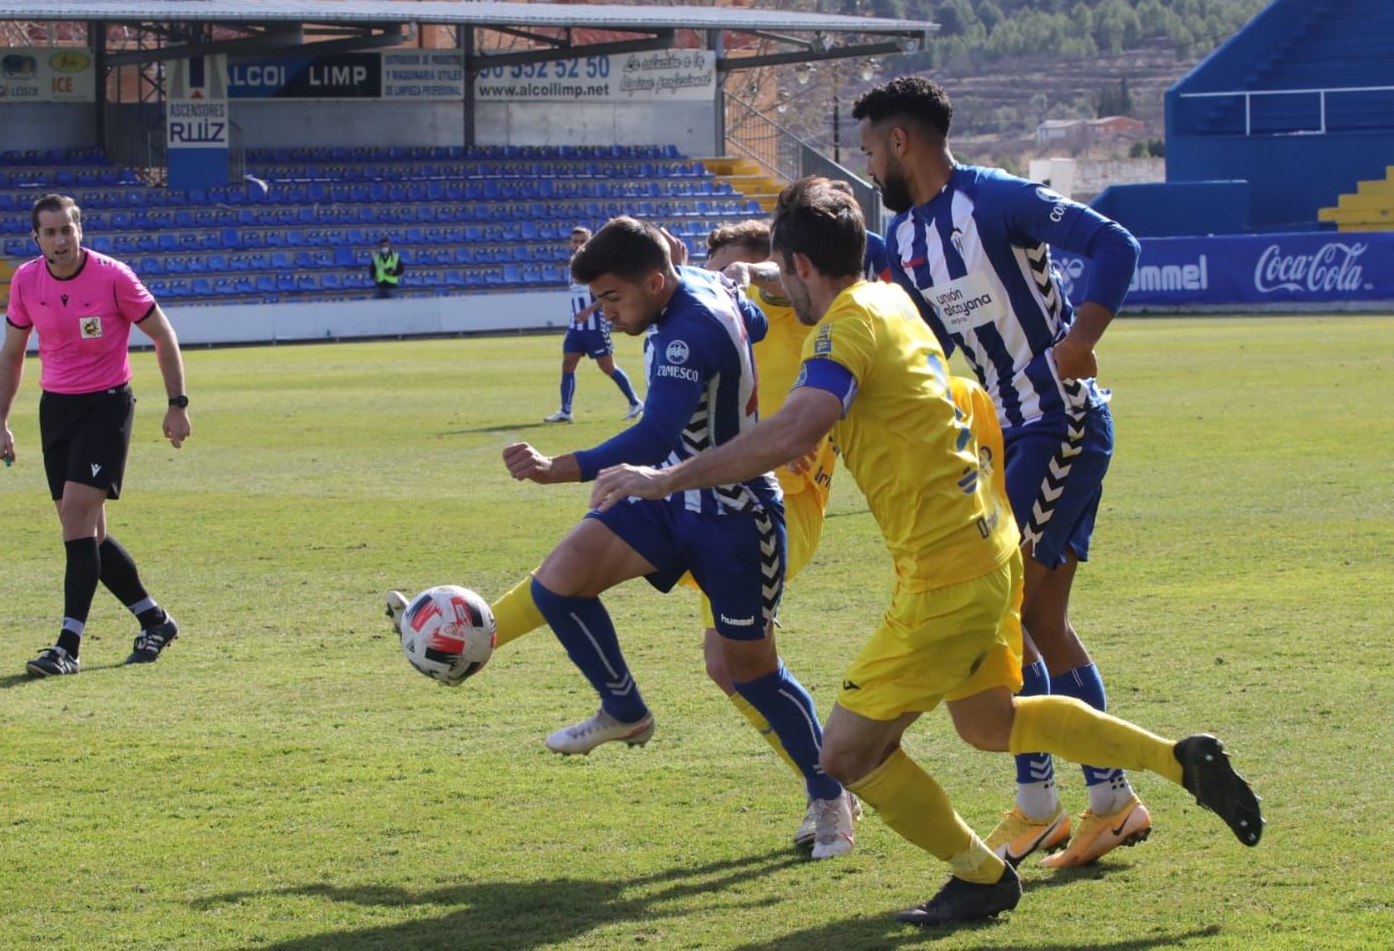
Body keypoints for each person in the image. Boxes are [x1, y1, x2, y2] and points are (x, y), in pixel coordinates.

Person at [591, 177, 1262, 925]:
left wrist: (667, 477)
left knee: (843, 757)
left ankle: (979, 878)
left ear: (802, 266)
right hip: (988, 546)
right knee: (987, 725)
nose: (782, 287)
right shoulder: (890, 301)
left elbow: (793, 431)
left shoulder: (842, 329)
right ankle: (1180, 761)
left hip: (942, 576)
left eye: (784, 271)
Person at [404, 215, 858, 858]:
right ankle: (625, 710)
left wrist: (553, 467)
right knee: (561, 580)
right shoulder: (697, 288)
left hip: (734, 513)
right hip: (669, 495)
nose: (604, 314)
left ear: (653, 280)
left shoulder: (687, 331)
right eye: (597, 300)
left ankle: (829, 791)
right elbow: (754, 325)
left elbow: (650, 435)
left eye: (612, 299)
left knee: (750, 675)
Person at [853, 76, 1149, 869]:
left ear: (900, 142)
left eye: (870, 147)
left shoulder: (995, 200)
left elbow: (1114, 244)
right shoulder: (910, 235)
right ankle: (1096, 803)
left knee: (1005, 616)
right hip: (1010, 432)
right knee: (1040, 622)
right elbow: (928, 345)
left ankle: (1049, 804)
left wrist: (1078, 340)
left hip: (1060, 422)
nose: (867, 161)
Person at [0, 193, 191, 677]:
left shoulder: (113, 276)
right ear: (35, 237)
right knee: (87, 531)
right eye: (50, 232)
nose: (60, 240)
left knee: (77, 518)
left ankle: (67, 646)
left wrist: (177, 404)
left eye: (68, 230)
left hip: (106, 406)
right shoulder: (25, 280)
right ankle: (154, 619)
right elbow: (13, 354)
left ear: (81, 231)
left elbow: (163, 334)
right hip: (56, 410)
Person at [543, 226, 644, 424]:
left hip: (594, 327)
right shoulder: (572, 267)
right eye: (575, 241)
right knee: (568, 365)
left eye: (583, 241)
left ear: (590, 243)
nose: (578, 245)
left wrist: (589, 311)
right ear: (570, 244)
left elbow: (606, 295)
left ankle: (635, 402)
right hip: (576, 328)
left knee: (608, 368)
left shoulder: (597, 268)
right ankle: (565, 411)